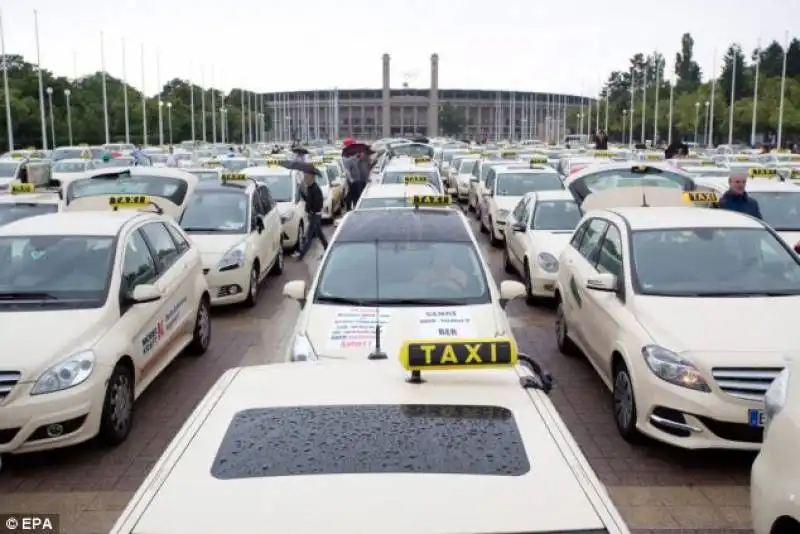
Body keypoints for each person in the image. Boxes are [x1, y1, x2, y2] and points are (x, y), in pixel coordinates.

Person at [293, 170, 328, 260]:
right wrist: (302, 194)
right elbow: (309, 201)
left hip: (315, 215)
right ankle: (328, 249)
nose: (305, 179)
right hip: (313, 215)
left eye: (306, 177)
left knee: (309, 237)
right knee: (319, 234)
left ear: (312, 178)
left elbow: (318, 203)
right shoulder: (310, 188)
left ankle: (301, 255)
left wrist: (311, 210)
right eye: (304, 177)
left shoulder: (316, 189)